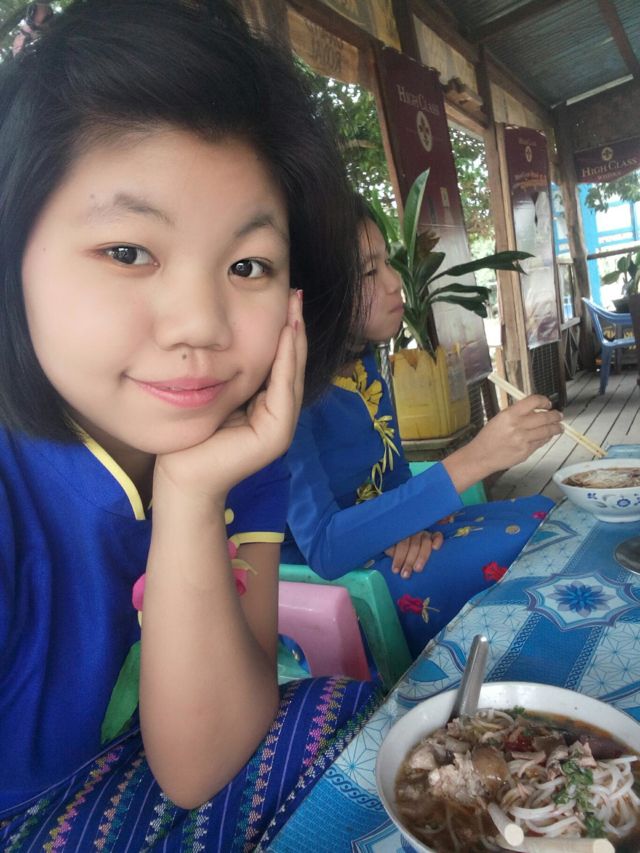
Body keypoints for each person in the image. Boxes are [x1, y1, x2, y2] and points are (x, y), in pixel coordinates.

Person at [0, 2, 380, 849]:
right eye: (128, 251)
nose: (201, 324)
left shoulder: (239, 448)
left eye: (248, 264)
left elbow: (201, 761)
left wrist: (192, 493)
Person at [283, 202, 564, 658]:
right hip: (335, 590)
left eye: (387, 262)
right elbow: (324, 547)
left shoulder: (364, 360)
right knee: (527, 546)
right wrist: (478, 457)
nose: (395, 281)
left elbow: (394, 478)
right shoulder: (286, 395)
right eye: (369, 272)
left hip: (389, 547)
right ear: (313, 292)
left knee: (543, 512)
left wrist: (407, 526)